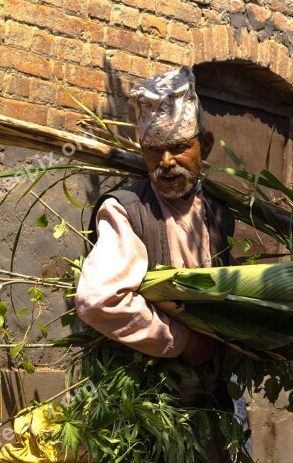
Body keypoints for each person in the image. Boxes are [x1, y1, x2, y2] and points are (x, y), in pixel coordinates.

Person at [75, 66, 236, 462]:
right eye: (152, 151)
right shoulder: (126, 212)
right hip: (147, 409)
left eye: (179, 146)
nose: (165, 161)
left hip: (211, 405)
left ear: (207, 145)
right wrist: (182, 341)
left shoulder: (219, 214)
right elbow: (99, 300)